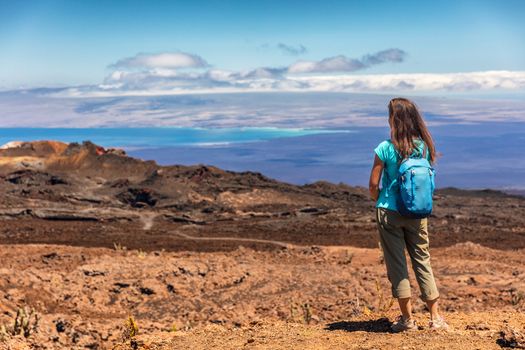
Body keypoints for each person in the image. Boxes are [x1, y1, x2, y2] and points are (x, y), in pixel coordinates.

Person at [368, 97, 448, 332]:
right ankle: (435, 318)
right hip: (417, 212)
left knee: (397, 265)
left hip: (389, 213)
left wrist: (381, 201)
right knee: (423, 261)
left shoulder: (385, 147)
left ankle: (407, 320)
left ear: (393, 119)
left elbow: (373, 185)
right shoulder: (423, 146)